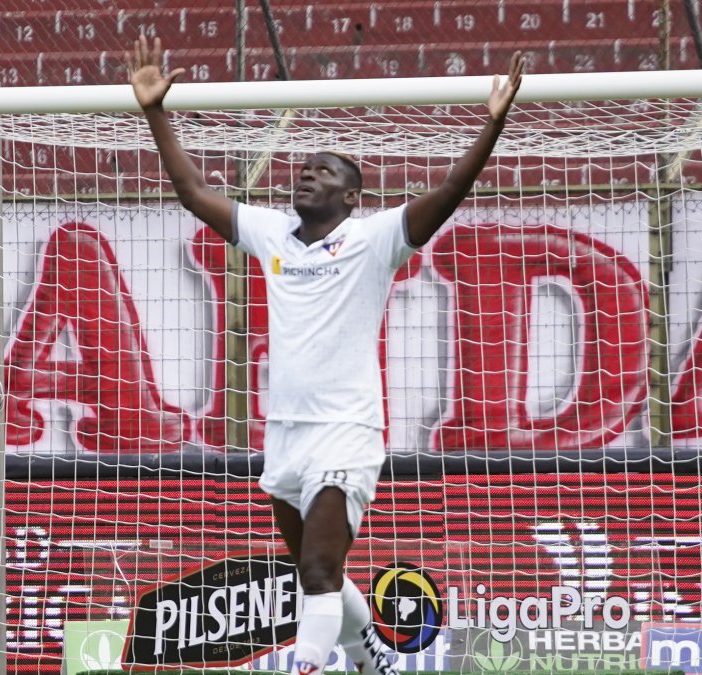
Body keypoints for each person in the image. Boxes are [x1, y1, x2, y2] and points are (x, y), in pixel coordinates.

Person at [127, 36, 525, 675]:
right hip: (285, 433)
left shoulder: (371, 241)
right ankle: (367, 653)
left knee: (316, 568)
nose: (307, 173)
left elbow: (450, 188)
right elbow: (193, 191)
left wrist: (493, 124)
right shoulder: (273, 233)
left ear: (350, 197)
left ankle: (308, 665)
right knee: (321, 570)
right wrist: (155, 112)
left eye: (326, 170)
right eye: (305, 167)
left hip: (346, 429)